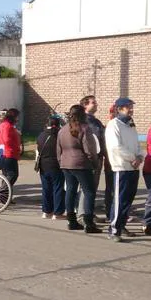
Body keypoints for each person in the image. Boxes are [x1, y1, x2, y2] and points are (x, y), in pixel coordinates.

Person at [57, 105, 102, 233]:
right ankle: (89, 222)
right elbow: (89, 149)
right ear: (83, 115)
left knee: (71, 190)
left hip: (66, 164)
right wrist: (94, 163)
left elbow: (58, 149)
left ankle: (71, 221)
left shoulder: (63, 130)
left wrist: (61, 162)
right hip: (81, 164)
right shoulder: (84, 128)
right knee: (89, 192)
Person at [105, 98, 143, 242]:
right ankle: (114, 230)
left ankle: (121, 225)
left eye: (131, 107)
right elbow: (116, 147)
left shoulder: (131, 124)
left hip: (133, 167)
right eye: (128, 107)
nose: (131, 110)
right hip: (121, 167)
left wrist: (140, 156)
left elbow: (137, 144)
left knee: (128, 200)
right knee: (120, 199)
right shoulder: (113, 124)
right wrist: (133, 158)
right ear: (119, 109)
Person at [80, 95, 107, 223]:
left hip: (98, 157)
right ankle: (82, 214)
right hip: (89, 158)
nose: (96, 104)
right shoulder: (84, 121)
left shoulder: (95, 121)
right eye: (93, 102)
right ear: (85, 105)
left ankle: (89, 212)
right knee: (87, 187)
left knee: (93, 187)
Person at [36, 116, 65, 220]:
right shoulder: (58, 135)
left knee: (46, 188)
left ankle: (46, 211)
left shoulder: (41, 135)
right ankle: (57, 213)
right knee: (58, 188)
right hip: (56, 165)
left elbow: (38, 149)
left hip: (43, 165)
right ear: (57, 125)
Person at [0, 108, 22, 192]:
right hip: (9, 153)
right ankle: (2, 191)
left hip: (4, 153)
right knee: (13, 175)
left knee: (6, 175)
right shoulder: (8, 126)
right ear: (13, 117)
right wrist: (17, 147)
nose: (18, 119)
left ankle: (4, 196)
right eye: (17, 117)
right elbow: (7, 140)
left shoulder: (3, 125)